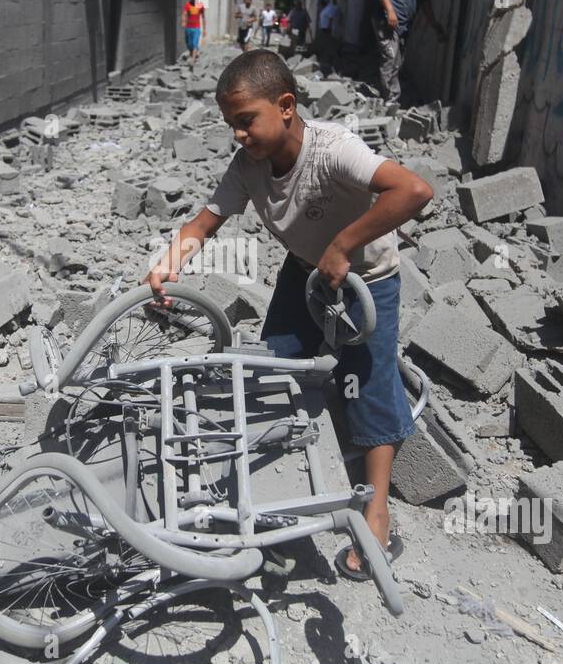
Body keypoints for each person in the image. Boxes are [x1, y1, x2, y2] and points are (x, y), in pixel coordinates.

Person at [143, 50, 435, 579]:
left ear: (285, 105)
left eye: (246, 120)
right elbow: (205, 223)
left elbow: (413, 191)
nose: (238, 135)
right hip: (305, 275)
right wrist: (167, 263)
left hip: (367, 282)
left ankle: (378, 513)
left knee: (367, 386)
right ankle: (283, 477)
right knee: (276, 363)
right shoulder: (248, 167)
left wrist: (345, 244)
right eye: (231, 124)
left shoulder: (334, 148)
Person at [374, 0, 448, 105]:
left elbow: (426, 3)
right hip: (386, 21)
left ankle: (388, 96)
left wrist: (434, 25)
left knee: (398, 62)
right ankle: (390, 100)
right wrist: (391, 11)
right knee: (390, 57)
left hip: (404, 26)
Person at [181, 0, 206, 67]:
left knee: (194, 43)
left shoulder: (200, 6)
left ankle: (193, 59)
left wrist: (204, 29)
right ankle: (193, 54)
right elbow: (184, 14)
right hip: (188, 27)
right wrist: (183, 21)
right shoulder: (187, 5)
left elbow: (203, 17)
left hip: (196, 28)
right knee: (189, 44)